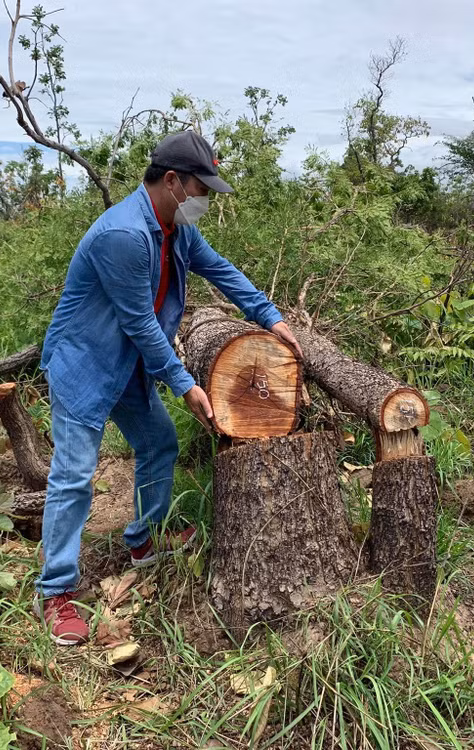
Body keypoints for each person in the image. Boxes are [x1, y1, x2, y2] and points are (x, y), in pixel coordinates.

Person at [36, 130, 302, 645]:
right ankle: (56, 591)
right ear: (174, 181)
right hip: (86, 364)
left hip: (130, 364)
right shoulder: (124, 235)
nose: (204, 200)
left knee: (159, 443)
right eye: (201, 189)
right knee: (74, 476)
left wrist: (270, 317)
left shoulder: (176, 230)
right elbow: (139, 320)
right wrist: (184, 384)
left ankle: (145, 540)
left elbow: (220, 269)